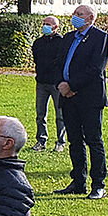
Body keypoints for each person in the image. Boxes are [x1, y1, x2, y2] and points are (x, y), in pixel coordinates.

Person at [53, 4, 108, 200]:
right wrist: (61, 84)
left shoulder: (101, 38)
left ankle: (98, 184)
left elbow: (96, 68)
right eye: (74, 13)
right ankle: (78, 181)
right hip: (68, 98)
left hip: (89, 98)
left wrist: (72, 86)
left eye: (80, 14)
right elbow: (58, 63)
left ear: (90, 18)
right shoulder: (68, 38)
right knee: (74, 140)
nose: (74, 16)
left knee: (94, 140)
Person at [31, 15, 66, 152]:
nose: (45, 26)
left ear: (55, 27)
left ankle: (60, 141)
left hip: (56, 83)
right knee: (40, 114)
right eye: (44, 23)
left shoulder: (61, 42)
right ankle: (41, 140)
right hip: (41, 82)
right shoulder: (38, 42)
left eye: (48, 24)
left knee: (60, 115)